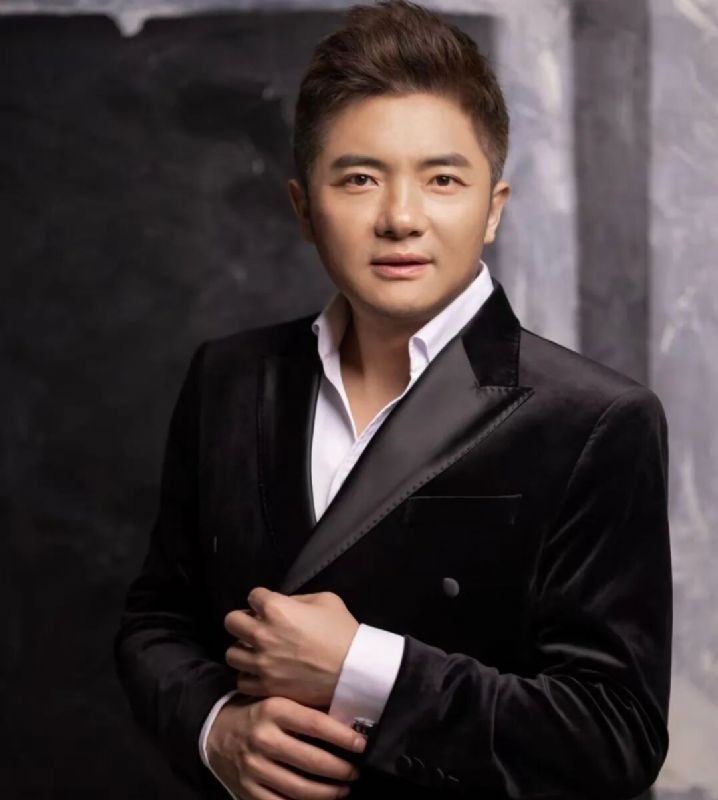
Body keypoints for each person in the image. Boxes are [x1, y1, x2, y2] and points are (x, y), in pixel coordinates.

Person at [114, 2, 672, 799]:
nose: (401, 218)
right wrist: (216, 730)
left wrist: (362, 670)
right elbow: (157, 620)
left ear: (493, 208)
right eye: (359, 179)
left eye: (442, 179)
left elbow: (615, 737)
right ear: (304, 208)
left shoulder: (595, 420)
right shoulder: (228, 378)